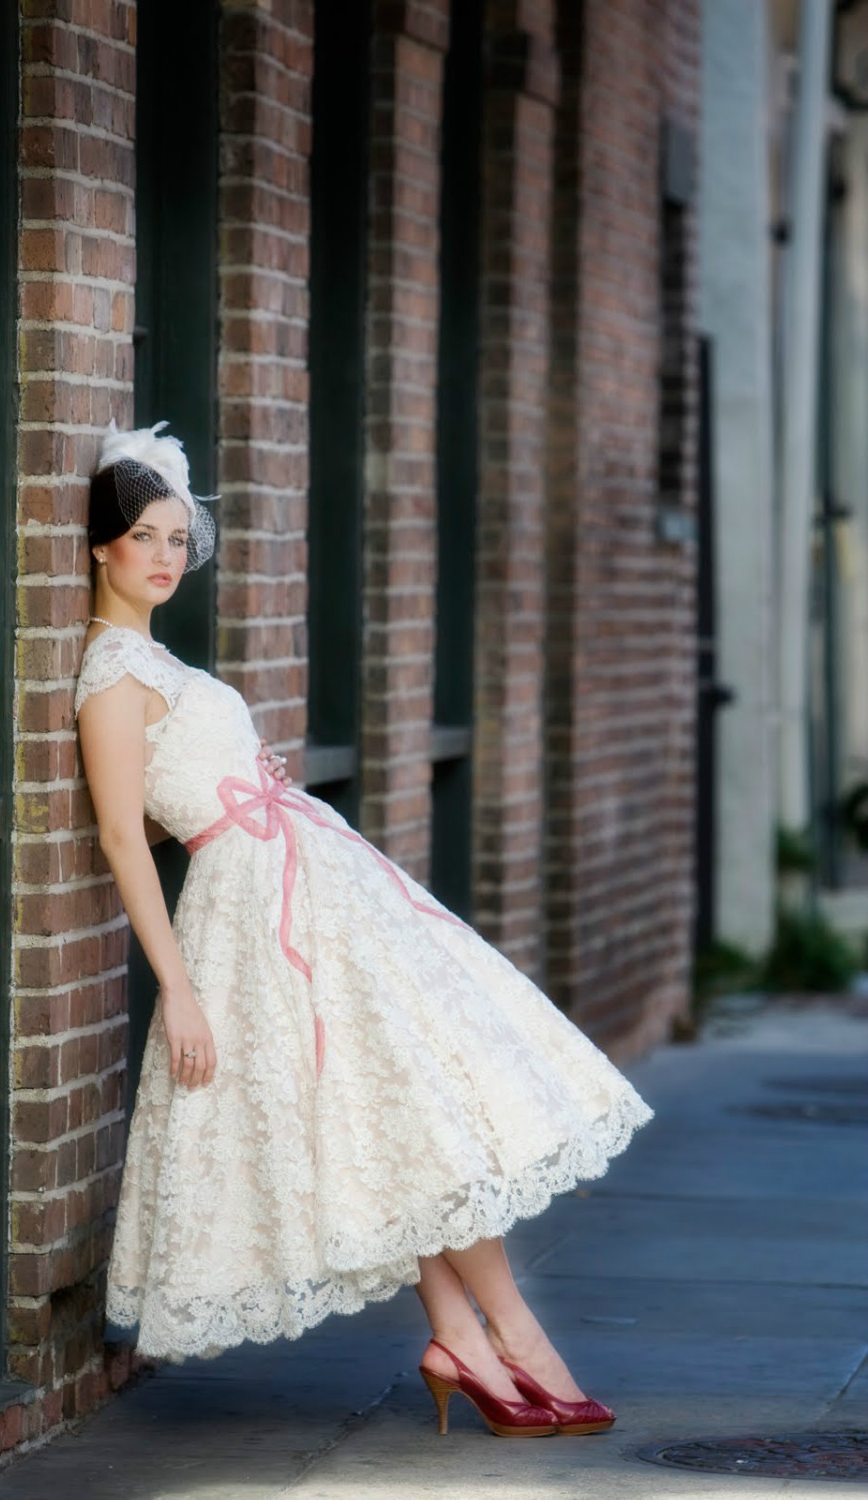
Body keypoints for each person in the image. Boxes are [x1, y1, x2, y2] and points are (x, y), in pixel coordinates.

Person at [74, 420, 654, 1440]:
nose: (169, 557)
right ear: (101, 548)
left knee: (396, 1122)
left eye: (179, 538)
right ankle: (509, 1340)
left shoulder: (154, 660)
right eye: (148, 538)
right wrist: (181, 987)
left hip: (308, 889)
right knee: (409, 1119)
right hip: (252, 920)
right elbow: (125, 839)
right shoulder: (112, 677)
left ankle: (462, 1340)